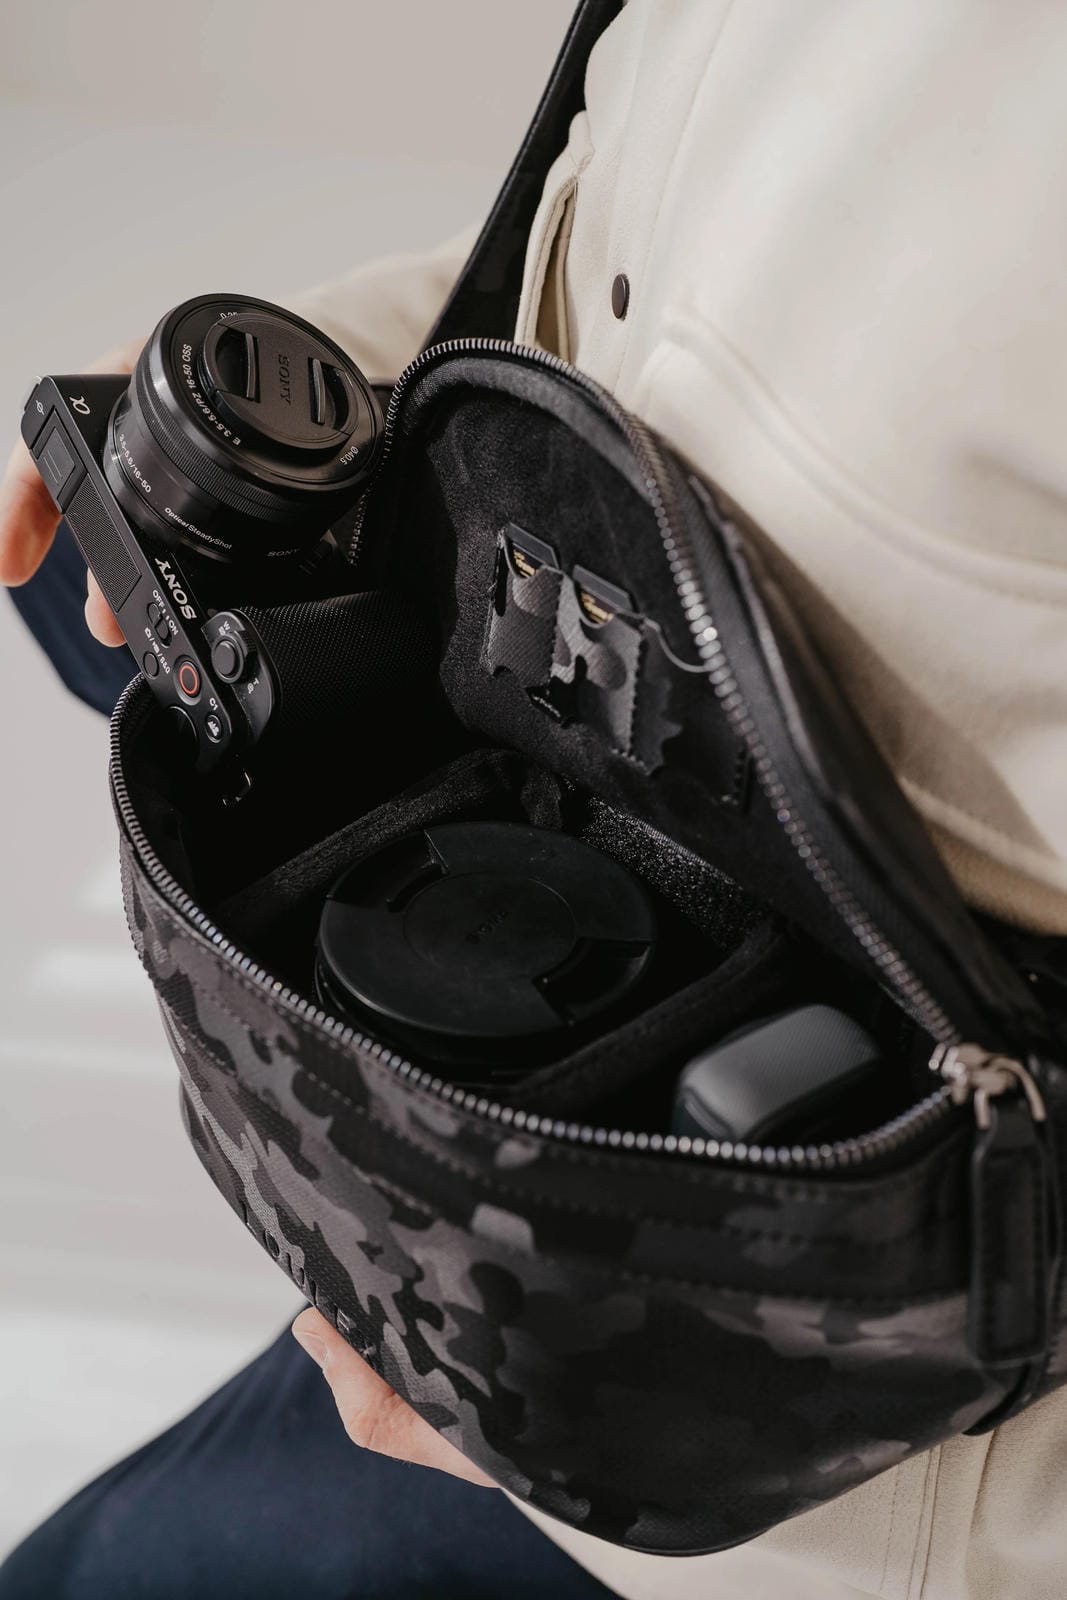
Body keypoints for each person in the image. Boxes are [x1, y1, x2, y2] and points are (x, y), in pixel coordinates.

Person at [3, 2, 1067, 1595]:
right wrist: (323, 408)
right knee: (68, 593)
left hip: (792, 1450)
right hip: (558, 753)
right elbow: (646, 274)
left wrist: (649, 1429)